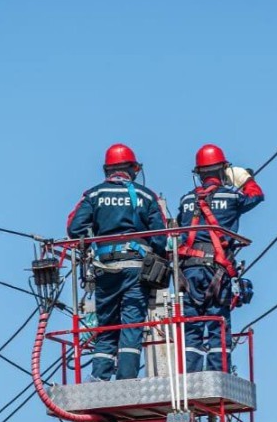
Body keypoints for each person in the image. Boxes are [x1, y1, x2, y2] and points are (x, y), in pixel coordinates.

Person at [67, 144, 167, 380]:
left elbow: (74, 228)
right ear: (132, 169)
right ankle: (127, 378)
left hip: (106, 268)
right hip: (136, 269)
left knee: (107, 324)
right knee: (132, 324)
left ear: (107, 170)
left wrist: (95, 238)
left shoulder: (94, 195)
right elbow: (160, 237)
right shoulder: (146, 195)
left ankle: (100, 377)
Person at [176, 143, 264, 372]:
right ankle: (219, 371)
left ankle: (192, 374)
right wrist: (244, 179)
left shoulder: (186, 200)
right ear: (223, 170)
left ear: (199, 174)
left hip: (188, 270)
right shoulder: (232, 196)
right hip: (217, 269)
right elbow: (256, 196)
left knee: (192, 325)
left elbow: (180, 224)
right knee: (218, 322)